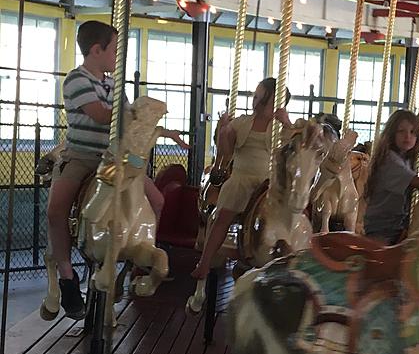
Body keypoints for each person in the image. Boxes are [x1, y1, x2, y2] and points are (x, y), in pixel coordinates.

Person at [49, 20, 186, 318]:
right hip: (84, 157)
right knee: (55, 211)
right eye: (114, 50)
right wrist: (137, 112)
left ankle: (133, 255)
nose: (117, 57)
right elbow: (101, 116)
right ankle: (66, 276)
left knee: (157, 200)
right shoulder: (76, 79)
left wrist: (153, 126)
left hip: (117, 159)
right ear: (96, 50)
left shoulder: (115, 85)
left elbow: (130, 124)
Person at [190, 77, 292, 279]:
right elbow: (226, 152)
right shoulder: (242, 123)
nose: (256, 101)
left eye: (261, 97)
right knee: (222, 217)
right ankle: (205, 262)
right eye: (255, 96)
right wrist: (224, 131)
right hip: (241, 178)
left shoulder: (282, 128)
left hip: (267, 183)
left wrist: (287, 122)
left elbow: (292, 151)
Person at [363, 110, 419, 245]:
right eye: (401, 131)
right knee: (384, 262)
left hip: (397, 225)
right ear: (391, 134)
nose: (407, 136)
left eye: (412, 132)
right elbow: (418, 182)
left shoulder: (408, 160)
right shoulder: (389, 159)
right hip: (383, 227)